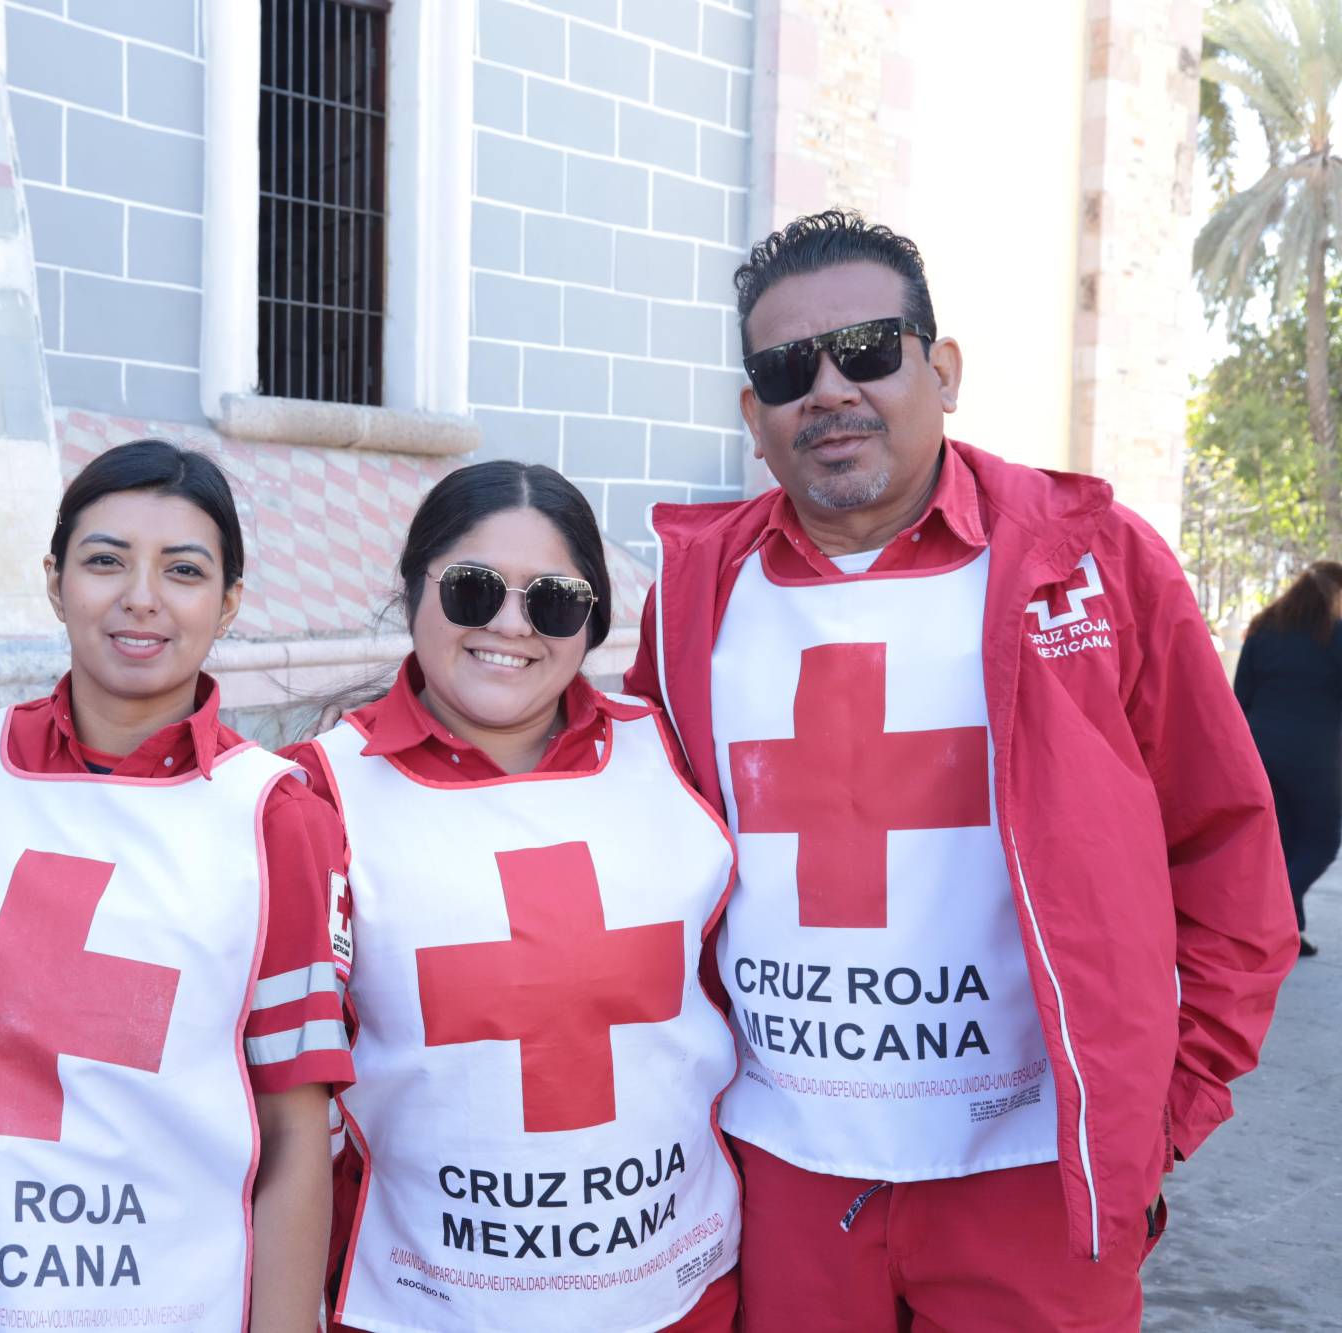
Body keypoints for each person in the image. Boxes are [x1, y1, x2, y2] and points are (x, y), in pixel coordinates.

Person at [621, 210, 1299, 1331]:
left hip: (1030, 1173)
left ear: (941, 370)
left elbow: (1225, 844)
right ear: (752, 416)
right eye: (787, 370)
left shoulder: (1090, 563)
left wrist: (1165, 1105)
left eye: (867, 351)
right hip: (782, 1172)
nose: (828, 390)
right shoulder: (696, 593)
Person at [0, 439, 350, 1330]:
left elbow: (296, 1131)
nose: (141, 596)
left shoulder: (271, 816)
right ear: (55, 581)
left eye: (183, 570)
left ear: (229, 604)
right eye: (105, 561)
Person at [286, 460, 741, 1332]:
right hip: (423, 1308)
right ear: (413, 588)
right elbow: (283, 1096)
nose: (509, 623)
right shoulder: (317, 795)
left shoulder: (675, 755)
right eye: (473, 587)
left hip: (678, 1299)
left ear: (592, 622)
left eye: (555, 600)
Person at [1235, 560, 1342, 958]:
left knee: (1283, 841)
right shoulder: (1335, 633)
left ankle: (1290, 928)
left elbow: (1239, 695)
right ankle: (1272, 913)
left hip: (1260, 748)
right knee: (1322, 841)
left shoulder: (1263, 629)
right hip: (1315, 755)